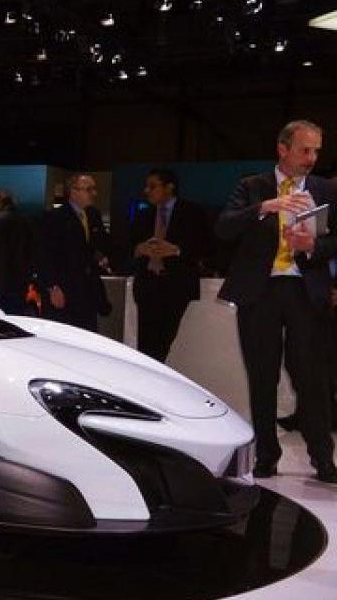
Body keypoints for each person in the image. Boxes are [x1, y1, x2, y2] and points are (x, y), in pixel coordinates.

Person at [215, 119, 336, 483]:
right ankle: (267, 456)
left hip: (305, 291)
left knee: (312, 378)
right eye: (304, 150)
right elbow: (224, 228)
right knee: (262, 376)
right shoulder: (252, 186)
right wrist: (266, 206)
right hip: (260, 292)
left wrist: (313, 245)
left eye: (316, 151)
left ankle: (323, 458)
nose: (311, 158)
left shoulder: (325, 189)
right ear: (283, 149)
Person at [129, 169, 212, 362]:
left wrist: (176, 250)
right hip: (147, 284)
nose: (147, 191)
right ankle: (147, 376)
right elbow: (126, 245)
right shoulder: (144, 214)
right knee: (145, 344)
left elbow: (208, 246)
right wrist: (139, 249)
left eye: (152, 186)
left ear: (169, 187)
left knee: (163, 341)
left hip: (176, 285)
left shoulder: (192, 212)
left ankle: (155, 375)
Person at [38, 174, 112, 331]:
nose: (94, 193)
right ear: (73, 191)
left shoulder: (93, 215)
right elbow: (45, 254)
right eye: (89, 189)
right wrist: (52, 287)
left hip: (87, 290)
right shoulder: (54, 217)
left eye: (94, 189)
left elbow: (100, 245)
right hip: (65, 289)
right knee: (65, 334)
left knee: (88, 333)